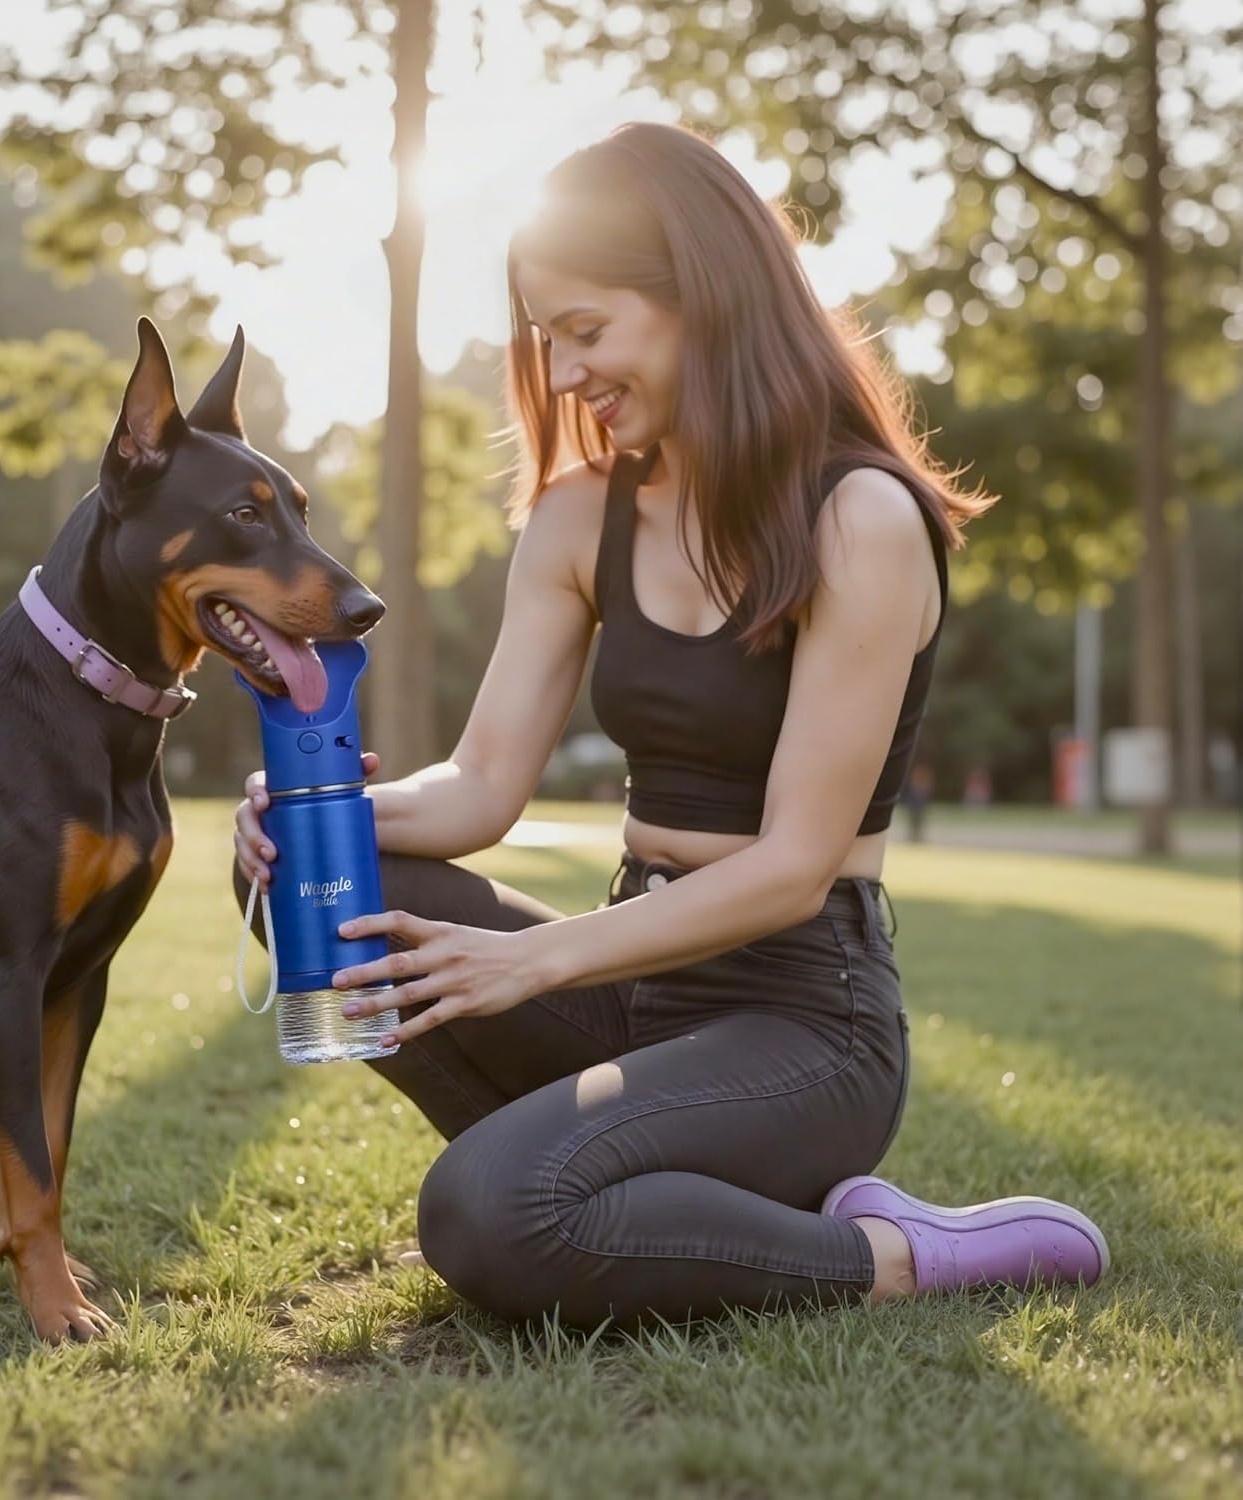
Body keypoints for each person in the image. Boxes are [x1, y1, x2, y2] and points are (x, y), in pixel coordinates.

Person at [234, 121, 1108, 1332]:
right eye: (546, 341)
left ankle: (887, 1252)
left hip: (803, 1017)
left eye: (587, 331)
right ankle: (604, 1177)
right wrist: (319, 820)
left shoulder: (860, 519)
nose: (565, 373)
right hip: (634, 984)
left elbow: (796, 868)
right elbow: (482, 785)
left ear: (702, 293)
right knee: (328, 880)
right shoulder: (579, 518)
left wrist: (532, 958)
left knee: (483, 1215)